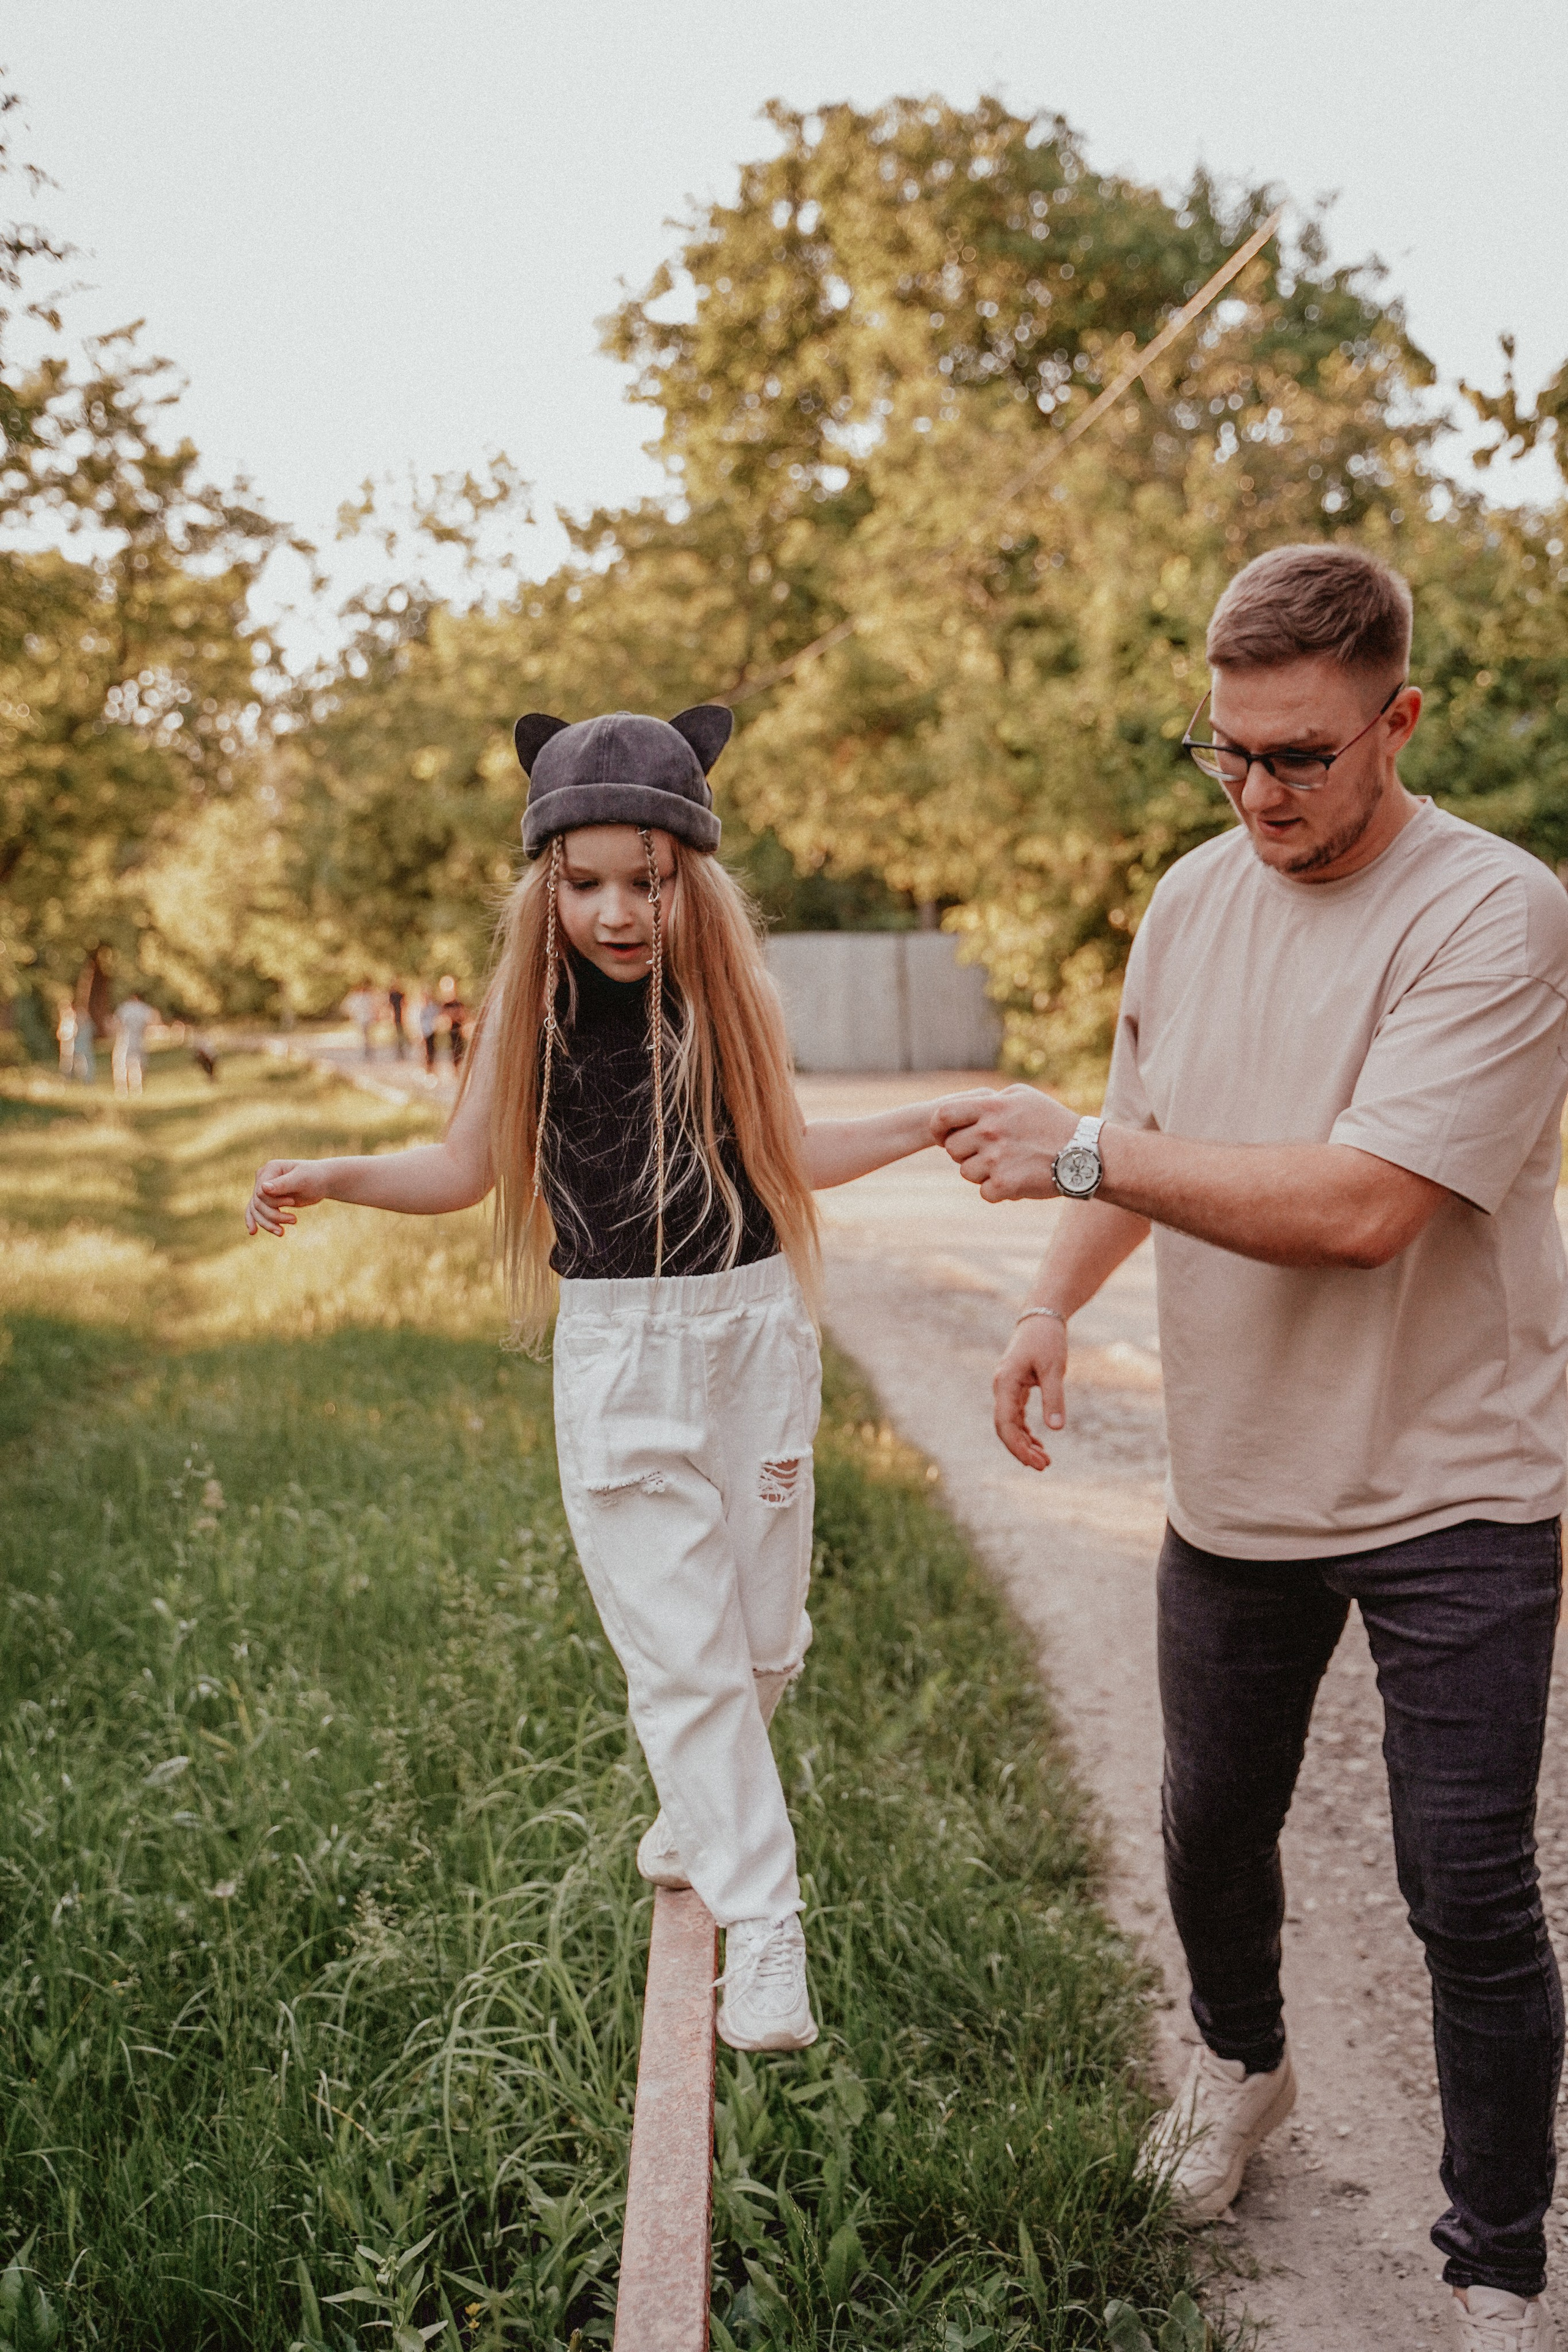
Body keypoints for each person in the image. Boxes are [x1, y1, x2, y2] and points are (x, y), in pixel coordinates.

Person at [935, 544, 1568, 2352]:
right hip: (1235, 1473)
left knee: (1462, 1881)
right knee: (1212, 1828)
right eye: (1226, 750)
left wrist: (1078, 1159)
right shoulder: (1188, 896)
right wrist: (1049, 1299)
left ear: (1397, 719)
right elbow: (1146, 1123)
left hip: (1455, 1474)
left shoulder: (1495, 911)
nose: (1258, 790)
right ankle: (1241, 2071)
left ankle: (1494, 2259)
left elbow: (1365, 1204)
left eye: (1299, 752)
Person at [245, 706, 962, 2054]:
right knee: (683, 1662)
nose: (618, 912)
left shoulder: (726, 1000)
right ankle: (766, 1928)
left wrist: (927, 1123)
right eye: (585, 884)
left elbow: (786, 1158)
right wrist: (333, 1175)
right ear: (546, 884)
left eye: (648, 879)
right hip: (619, 1349)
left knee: (760, 1645)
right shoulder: (533, 1004)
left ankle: (700, 1804)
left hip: (751, 1335)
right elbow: (465, 1172)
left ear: (692, 873)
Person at [111, 992, 156, 1097]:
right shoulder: (144, 1008)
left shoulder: (125, 1008)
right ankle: (137, 1089)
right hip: (139, 1040)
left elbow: (118, 1023)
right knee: (138, 1065)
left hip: (125, 1040)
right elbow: (152, 1021)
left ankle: (122, 1090)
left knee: (121, 1065)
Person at [344, 979, 380, 1062]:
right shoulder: (355, 997)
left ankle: (368, 1053)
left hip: (368, 1018)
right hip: (361, 1018)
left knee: (367, 1037)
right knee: (365, 1037)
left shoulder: (368, 996)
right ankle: (366, 1053)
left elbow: (375, 1007)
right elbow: (347, 1007)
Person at [438, 974, 467, 1070]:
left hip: (459, 1029)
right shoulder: (446, 1005)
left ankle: (459, 1066)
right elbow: (443, 1017)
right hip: (452, 1030)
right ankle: (455, 1067)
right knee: (453, 1048)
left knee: (460, 1048)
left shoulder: (458, 1003)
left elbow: (463, 1015)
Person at [417, 988, 442, 1076]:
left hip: (432, 1031)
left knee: (432, 1050)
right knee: (425, 1051)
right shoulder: (422, 1008)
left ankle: (432, 1067)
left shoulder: (433, 1007)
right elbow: (420, 1021)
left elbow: (437, 1016)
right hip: (425, 1032)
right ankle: (427, 1068)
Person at [386, 981, 409, 1060]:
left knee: (401, 1034)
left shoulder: (400, 995)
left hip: (400, 1016)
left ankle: (401, 1051)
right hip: (396, 1016)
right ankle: (398, 1051)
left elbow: (405, 1004)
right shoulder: (392, 995)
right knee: (397, 1035)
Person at [55, 1001, 77, 1077]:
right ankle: (64, 1072)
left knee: (69, 1056)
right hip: (64, 1040)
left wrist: (69, 1036)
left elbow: (74, 1030)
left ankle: (69, 1073)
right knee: (63, 1056)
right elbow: (61, 1029)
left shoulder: (72, 1018)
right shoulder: (64, 1019)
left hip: (69, 1040)